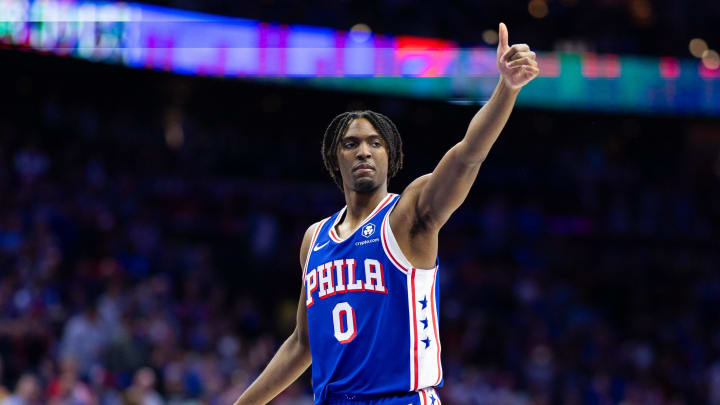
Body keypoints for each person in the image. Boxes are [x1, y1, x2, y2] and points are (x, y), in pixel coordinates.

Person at [233, 23, 539, 405]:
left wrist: (506, 89)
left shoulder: (409, 213)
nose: (363, 151)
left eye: (375, 143)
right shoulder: (315, 239)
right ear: (335, 160)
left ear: (389, 157)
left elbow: (468, 154)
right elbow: (301, 344)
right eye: (351, 144)